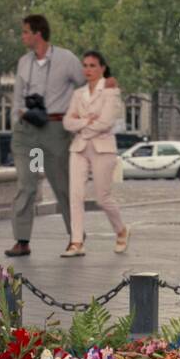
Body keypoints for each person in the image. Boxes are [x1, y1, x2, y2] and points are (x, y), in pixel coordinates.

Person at [4, 14, 117, 258]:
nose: (22, 37)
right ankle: (22, 240)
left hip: (54, 130)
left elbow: (87, 81)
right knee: (26, 185)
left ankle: (76, 237)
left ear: (38, 34)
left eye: (25, 32)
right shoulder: (24, 62)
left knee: (63, 185)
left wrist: (105, 86)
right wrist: (16, 121)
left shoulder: (66, 59)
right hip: (26, 132)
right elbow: (17, 96)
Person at [62, 50, 129, 256]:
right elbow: (67, 122)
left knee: (102, 198)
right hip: (79, 148)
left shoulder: (111, 91)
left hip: (103, 148)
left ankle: (121, 230)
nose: (88, 69)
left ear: (102, 68)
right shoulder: (78, 94)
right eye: (85, 65)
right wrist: (86, 121)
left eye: (92, 65)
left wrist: (82, 126)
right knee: (75, 195)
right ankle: (76, 242)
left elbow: (106, 122)